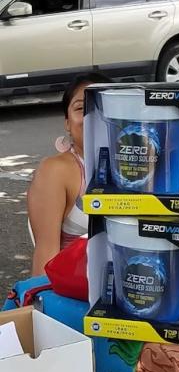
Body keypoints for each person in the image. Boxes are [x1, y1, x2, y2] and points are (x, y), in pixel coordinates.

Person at [27, 72, 111, 275]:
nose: (91, 116)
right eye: (81, 108)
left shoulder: (139, 167)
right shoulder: (56, 171)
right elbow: (45, 259)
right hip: (75, 300)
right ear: (67, 123)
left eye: (102, 105)